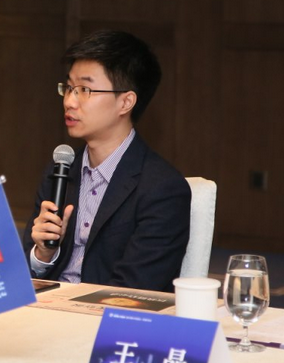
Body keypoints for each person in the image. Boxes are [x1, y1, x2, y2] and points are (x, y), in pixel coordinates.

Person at [22, 30, 190, 292]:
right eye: (69, 88)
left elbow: (134, 291)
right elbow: (21, 274)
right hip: (46, 308)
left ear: (125, 102)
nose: (69, 101)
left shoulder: (163, 189)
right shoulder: (61, 171)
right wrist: (43, 254)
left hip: (106, 313)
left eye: (84, 90)